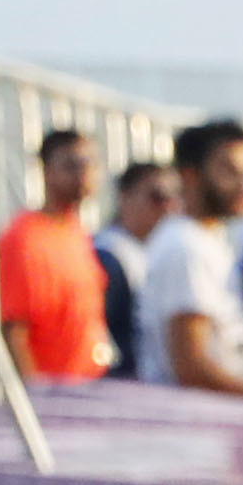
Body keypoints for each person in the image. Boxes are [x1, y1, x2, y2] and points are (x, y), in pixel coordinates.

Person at [139, 121, 243, 395]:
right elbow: (192, 367)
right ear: (190, 176)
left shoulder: (208, 237)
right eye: (229, 171)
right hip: (209, 420)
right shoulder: (185, 248)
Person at [0, 127, 106, 384]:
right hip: (54, 397)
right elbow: (13, 329)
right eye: (71, 165)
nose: (83, 174)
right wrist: (35, 398)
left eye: (89, 164)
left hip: (87, 388)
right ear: (46, 171)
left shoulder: (75, 230)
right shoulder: (23, 238)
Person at [93, 160, 173, 378]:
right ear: (124, 197)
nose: (167, 207)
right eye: (156, 197)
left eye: (173, 198)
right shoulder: (107, 255)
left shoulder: (156, 249)